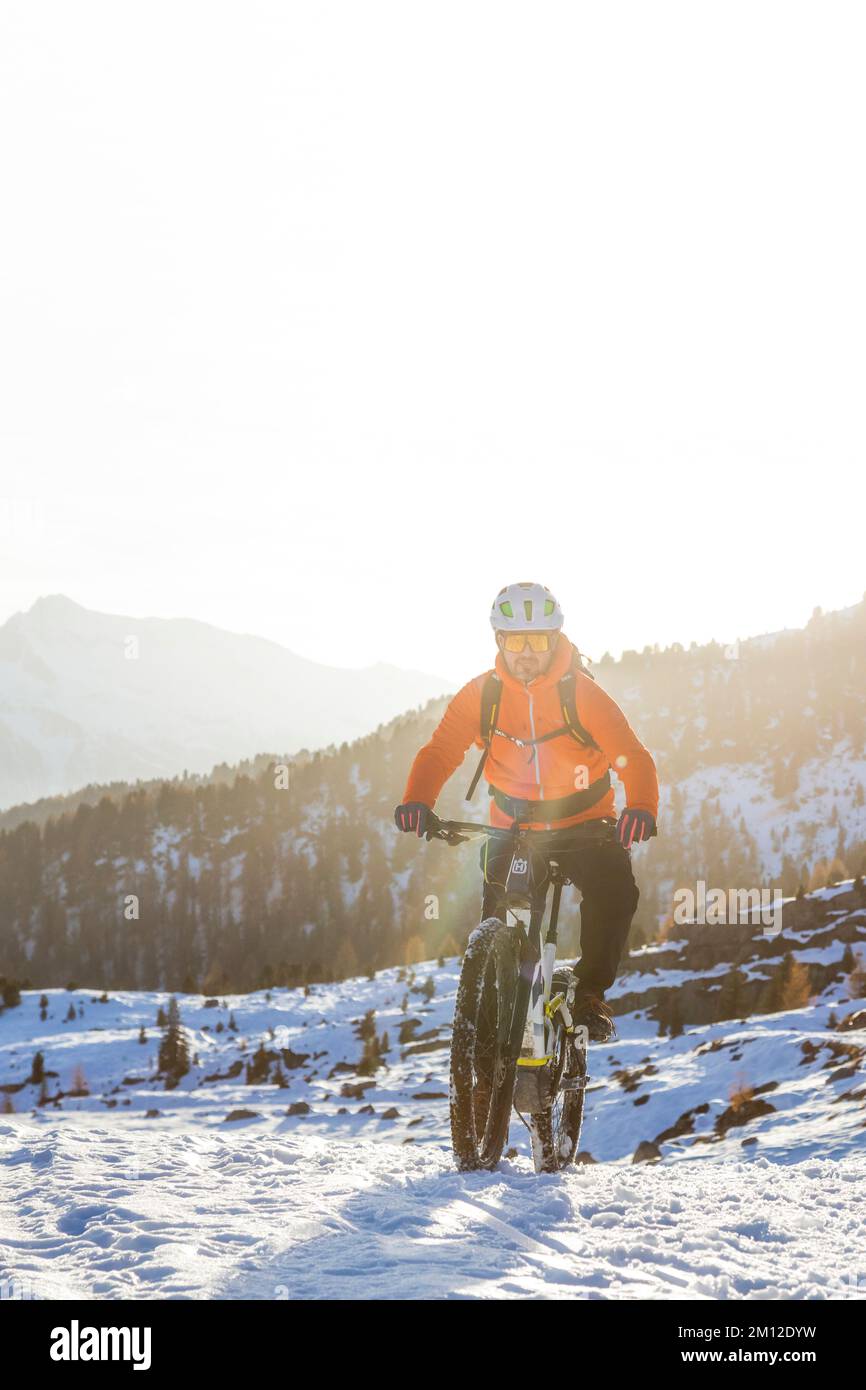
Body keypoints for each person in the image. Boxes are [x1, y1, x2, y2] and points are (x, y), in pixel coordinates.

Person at [394, 581, 659, 1041]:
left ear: (555, 639)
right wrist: (417, 799)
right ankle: (495, 1028)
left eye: (537, 639)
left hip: (586, 823)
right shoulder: (483, 696)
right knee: (502, 920)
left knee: (615, 893)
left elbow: (631, 755)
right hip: (513, 827)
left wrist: (640, 805)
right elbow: (441, 751)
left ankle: (590, 993)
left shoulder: (582, 695)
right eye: (516, 640)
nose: (526, 652)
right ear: (500, 641)